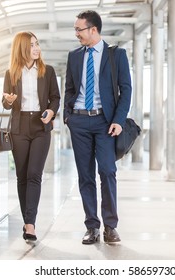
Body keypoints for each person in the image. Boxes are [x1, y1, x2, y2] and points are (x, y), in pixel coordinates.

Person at [64, 10, 132, 244]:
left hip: (105, 122)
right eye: (75, 30)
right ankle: (92, 226)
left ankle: (110, 226)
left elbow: (126, 90)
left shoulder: (117, 55)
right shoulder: (74, 56)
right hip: (79, 121)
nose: (76, 34)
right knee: (85, 175)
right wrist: (67, 117)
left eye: (79, 29)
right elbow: (70, 90)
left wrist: (118, 120)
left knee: (107, 171)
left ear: (93, 30)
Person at [2, 31, 60, 242]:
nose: (37, 48)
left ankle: (30, 224)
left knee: (34, 174)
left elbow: (55, 97)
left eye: (37, 44)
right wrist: (8, 99)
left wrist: (51, 112)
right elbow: (5, 102)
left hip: (40, 125)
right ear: (22, 48)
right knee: (22, 175)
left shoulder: (48, 71)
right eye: (32, 45)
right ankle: (27, 221)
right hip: (19, 126)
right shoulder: (11, 73)